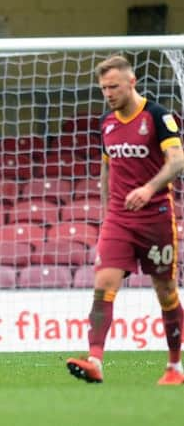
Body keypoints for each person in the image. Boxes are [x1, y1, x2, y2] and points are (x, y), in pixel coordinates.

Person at [66, 55, 184, 385]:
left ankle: (175, 367)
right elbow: (107, 169)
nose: (108, 93)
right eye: (103, 88)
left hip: (156, 218)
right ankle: (95, 362)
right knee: (103, 286)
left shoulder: (158, 116)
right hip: (119, 219)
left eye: (114, 86)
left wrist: (149, 188)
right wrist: (106, 214)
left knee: (165, 291)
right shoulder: (107, 123)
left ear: (131, 82)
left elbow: (177, 161)